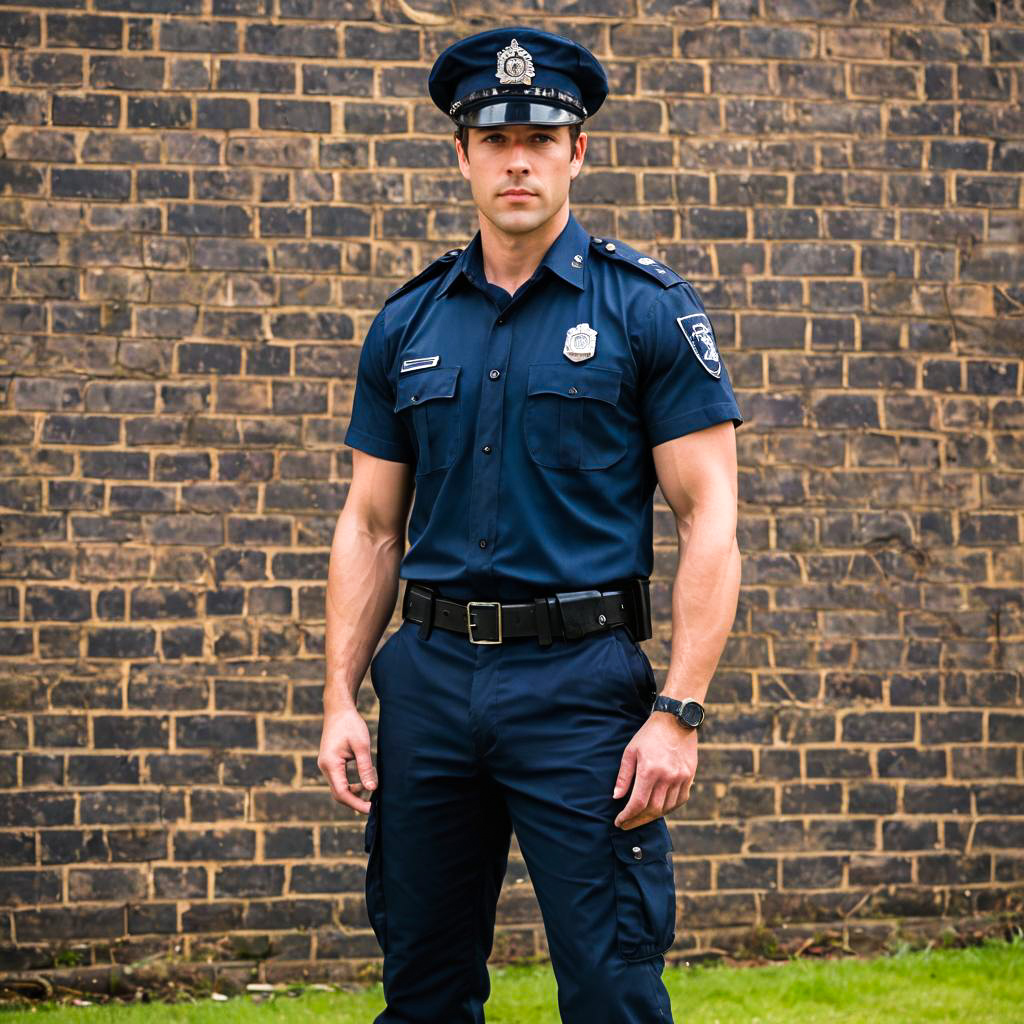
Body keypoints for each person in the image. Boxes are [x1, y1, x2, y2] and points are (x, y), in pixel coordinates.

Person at [317, 25, 744, 1024]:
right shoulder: (409, 322)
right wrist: (340, 696)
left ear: (577, 152)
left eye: (543, 137)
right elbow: (371, 524)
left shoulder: (646, 311)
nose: (519, 157)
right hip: (426, 684)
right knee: (420, 983)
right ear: (458, 152)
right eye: (494, 136)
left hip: (579, 687)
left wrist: (678, 711)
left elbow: (710, 517)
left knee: (610, 986)